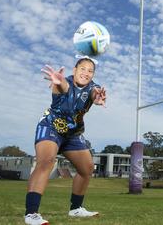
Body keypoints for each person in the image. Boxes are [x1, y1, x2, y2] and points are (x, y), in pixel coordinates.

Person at [24, 56, 107, 225]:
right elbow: (62, 87)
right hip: (51, 127)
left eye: (90, 71)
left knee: (87, 168)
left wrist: (97, 98)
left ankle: (76, 209)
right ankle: (31, 214)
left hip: (72, 134)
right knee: (46, 161)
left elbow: (94, 93)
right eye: (82, 69)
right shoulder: (64, 82)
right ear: (74, 70)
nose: (86, 73)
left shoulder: (93, 87)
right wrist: (57, 81)